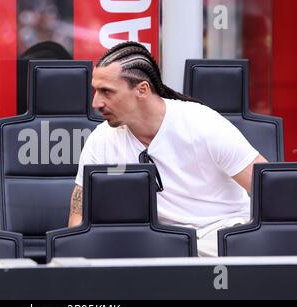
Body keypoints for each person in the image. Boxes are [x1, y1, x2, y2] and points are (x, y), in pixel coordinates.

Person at [68, 41, 267, 257]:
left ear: (142, 90)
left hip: (221, 241)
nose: (96, 102)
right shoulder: (101, 139)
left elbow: (270, 191)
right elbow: (78, 216)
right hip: (158, 247)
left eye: (107, 91)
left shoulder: (203, 123)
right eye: (96, 91)